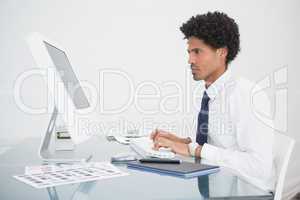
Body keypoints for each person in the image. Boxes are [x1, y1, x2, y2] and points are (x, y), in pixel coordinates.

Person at [151, 11, 275, 191]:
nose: (190, 60)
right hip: (219, 184)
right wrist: (182, 142)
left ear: (221, 52)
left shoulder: (246, 95)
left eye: (197, 52)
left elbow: (259, 167)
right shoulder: (212, 93)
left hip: (249, 192)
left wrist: (195, 150)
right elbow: (223, 145)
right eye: (189, 52)